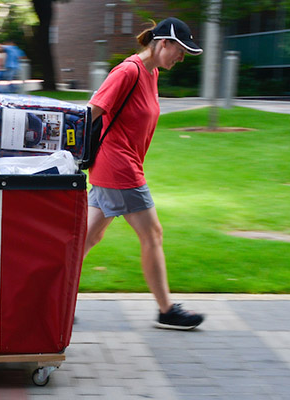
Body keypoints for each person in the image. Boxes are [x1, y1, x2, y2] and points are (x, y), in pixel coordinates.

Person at [84, 17, 205, 331]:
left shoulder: (150, 74)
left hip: (118, 167)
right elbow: (89, 113)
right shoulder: (128, 71)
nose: (182, 57)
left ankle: (46, 297)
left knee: (85, 239)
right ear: (163, 42)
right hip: (119, 168)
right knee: (153, 234)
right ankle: (166, 309)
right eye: (180, 50)